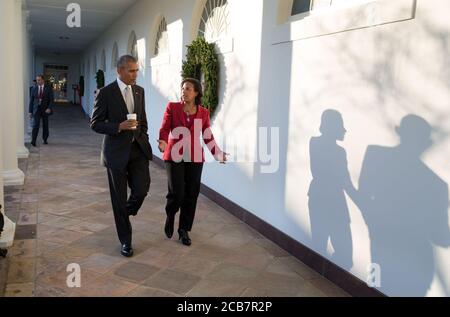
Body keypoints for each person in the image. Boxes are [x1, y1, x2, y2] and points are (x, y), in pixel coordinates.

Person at [91, 55, 153, 257]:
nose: (136, 74)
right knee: (118, 197)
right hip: (115, 153)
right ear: (120, 71)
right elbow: (96, 123)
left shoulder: (139, 91)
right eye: (132, 71)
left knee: (141, 190)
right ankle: (126, 241)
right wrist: (118, 126)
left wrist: (143, 136)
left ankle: (124, 212)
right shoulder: (105, 93)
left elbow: (142, 119)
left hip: (138, 150)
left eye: (137, 70)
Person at [158, 78, 228, 246]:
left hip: (195, 158)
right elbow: (165, 127)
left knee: (191, 194)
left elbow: (207, 135)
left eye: (188, 89)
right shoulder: (172, 107)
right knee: (177, 193)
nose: (184, 91)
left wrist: (217, 153)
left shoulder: (203, 112)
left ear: (196, 92)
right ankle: (170, 214)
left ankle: (184, 230)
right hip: (174, 155)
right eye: (183, 88)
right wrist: (162, 141)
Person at [29, 75, 53, 147]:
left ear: (43, 80)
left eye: (39, 80)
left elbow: (51, 100)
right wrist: (30, 111)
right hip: (36, 109)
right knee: (35, 125)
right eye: (37, 80)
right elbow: (31, 101)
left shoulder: (48, 88)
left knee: (45, 125)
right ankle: (33, 141)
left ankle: (45, 139)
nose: (37, 81)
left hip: (45, 110)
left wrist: (49, 108)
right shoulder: (34, 89)